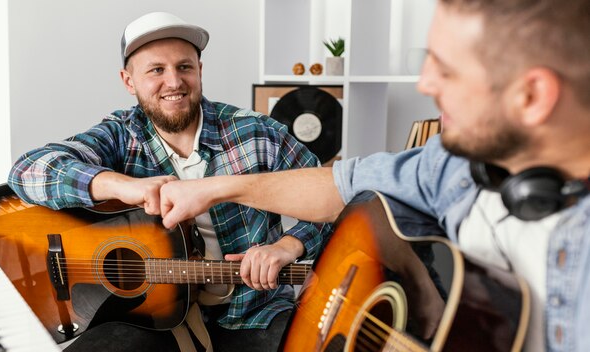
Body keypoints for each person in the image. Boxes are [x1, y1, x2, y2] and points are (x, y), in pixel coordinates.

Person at [157, 1, 590, 351]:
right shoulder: (451, 165)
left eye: (448, 68)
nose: (425, 84)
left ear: (532, 96)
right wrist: (214, 189)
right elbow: (342, 185)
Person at [7, 11, 331, 352]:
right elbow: (28, 169)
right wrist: (120, 185)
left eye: (184, 67)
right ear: (128, 80)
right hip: (151, 316)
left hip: (255, 310)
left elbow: (331, 196)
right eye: (156, 70)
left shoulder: (258, 133)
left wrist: (287, 246)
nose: (174, 82)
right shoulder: (120, 136)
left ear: (200, 71)